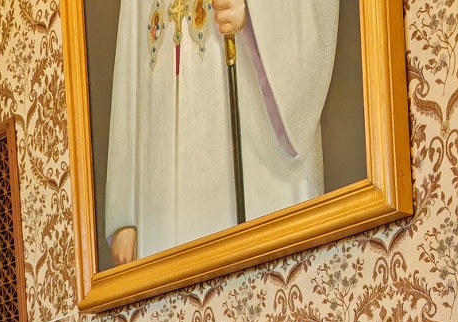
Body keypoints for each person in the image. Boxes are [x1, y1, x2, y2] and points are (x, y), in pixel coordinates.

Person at [102, 0, 339, 263]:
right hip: (161, 175)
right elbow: (130, 40)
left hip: (253, 146)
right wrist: (123, 210)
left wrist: (256, 10)